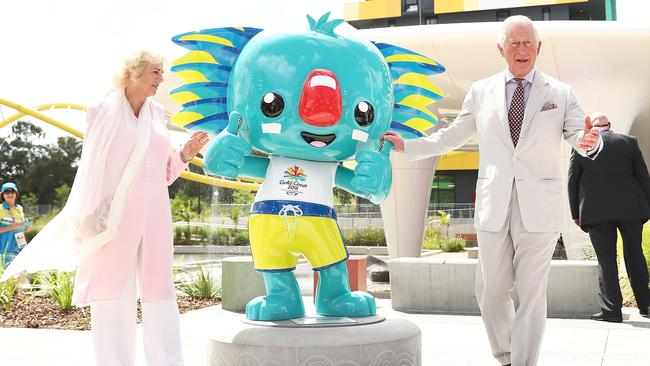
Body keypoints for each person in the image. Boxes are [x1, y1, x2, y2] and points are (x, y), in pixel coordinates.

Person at [382, 15, 601, 366]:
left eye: (528, 42)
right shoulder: (481, 91)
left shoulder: (560, 93)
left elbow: (580, 136)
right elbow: (451, 136)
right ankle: (507, 355)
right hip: (493, 204)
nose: (521, 49)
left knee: (532, 294)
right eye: (514, 43)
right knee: (490, 290)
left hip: (540, 208)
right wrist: (408, 147)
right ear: (501, 49)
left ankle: (522, 362)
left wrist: (589, 142)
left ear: (539, 47)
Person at [2, 50, 209, 366]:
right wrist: (91, 215)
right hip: (112, 215)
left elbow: (165, 172)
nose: (161, 79)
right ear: (136, 72)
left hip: (155, 216)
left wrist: (185, 153)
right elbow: (91, 168)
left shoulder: (156, 114)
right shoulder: (101, 111)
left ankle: (168, 361)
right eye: (156, 72)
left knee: (160, 291)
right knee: (113, 291)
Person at [568, 113, 650, 322]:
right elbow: (643, 175)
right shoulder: (628, 142)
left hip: (596, 212)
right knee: (635, 256)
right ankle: (646, 306)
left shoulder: (582, 145)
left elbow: (573, 180)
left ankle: (612, 311)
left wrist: (575, 213)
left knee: (606, 260)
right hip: (630, 210)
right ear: (610, 126)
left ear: (591, 127)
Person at [0, 182, 31, 264]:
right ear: (3, 195)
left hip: (20, 245)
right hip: (4, 248)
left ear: (16, 194)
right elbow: (12, 228)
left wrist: (26, 228)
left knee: (23, 269)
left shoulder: (19, 208)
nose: (10, 194)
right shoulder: (0, 209)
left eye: (12, 192)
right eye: (7, 192)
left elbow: (19, 228)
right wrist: (11, 227)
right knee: (12, 272)